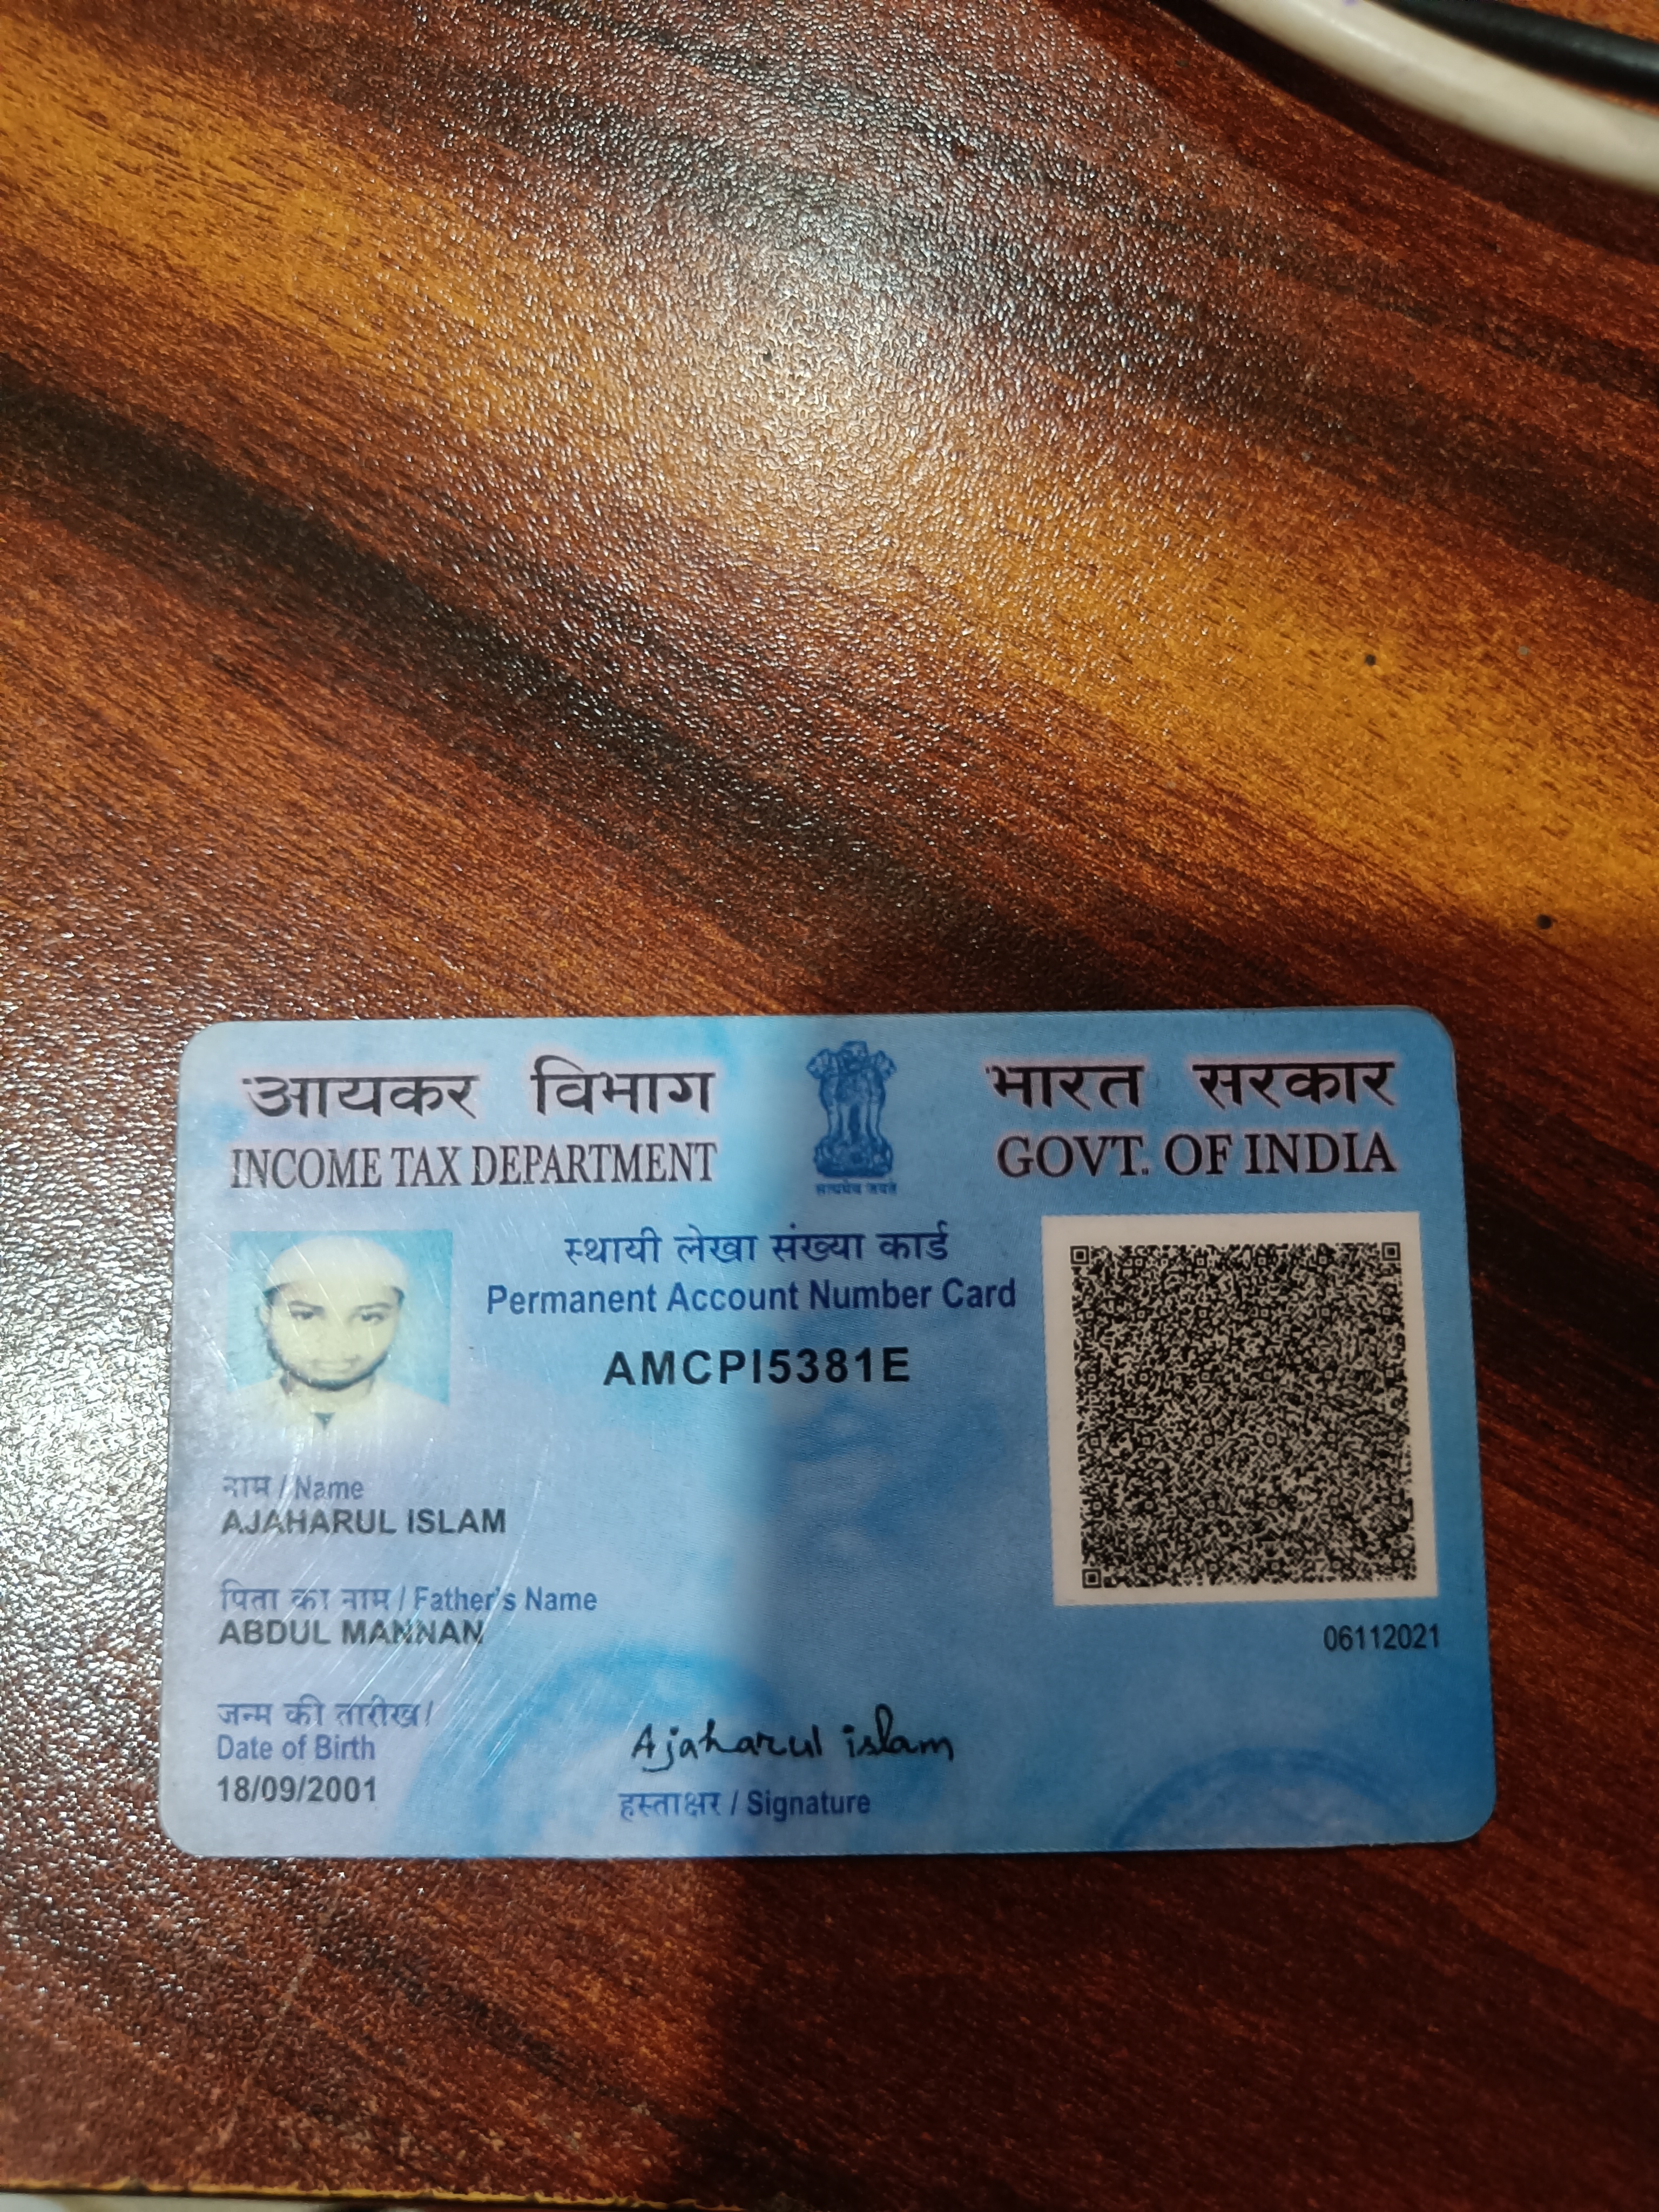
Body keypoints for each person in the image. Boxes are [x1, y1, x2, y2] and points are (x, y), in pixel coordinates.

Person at [235, 1236, 446, 1444]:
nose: (336, 1343)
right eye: (305, 1316)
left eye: (368, 1318)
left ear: (398, 1319)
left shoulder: (434, 1424)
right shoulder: (230, 1417)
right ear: (267, 1316)